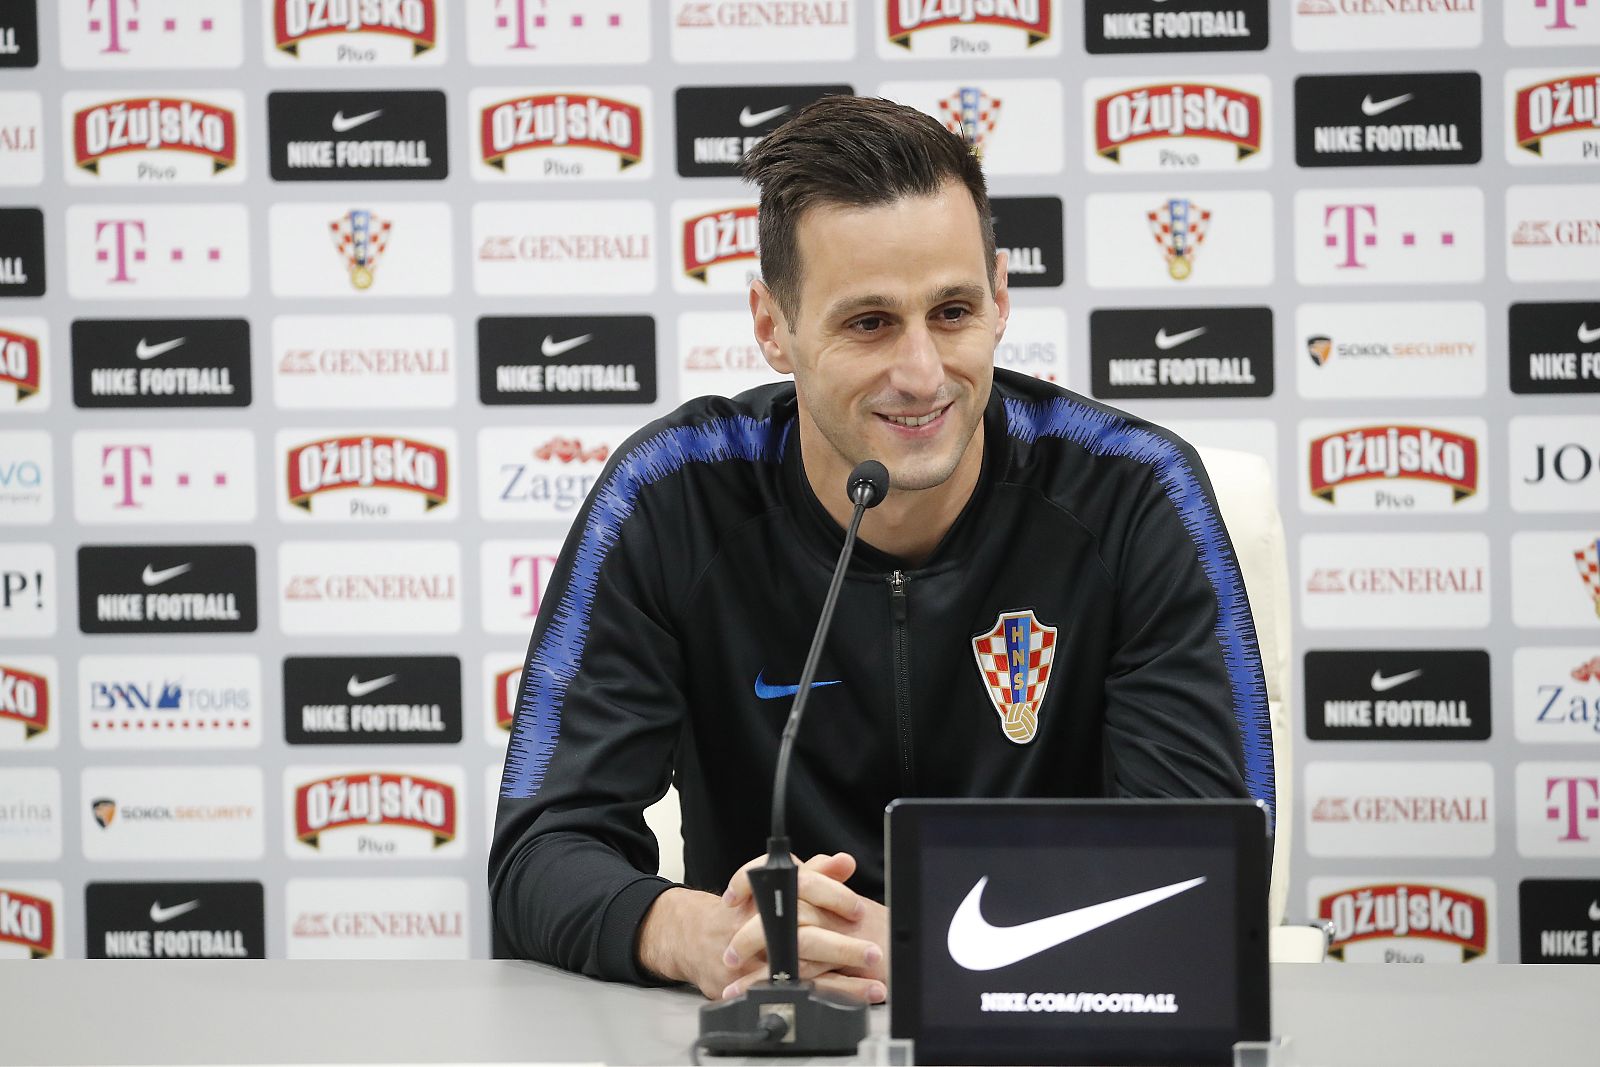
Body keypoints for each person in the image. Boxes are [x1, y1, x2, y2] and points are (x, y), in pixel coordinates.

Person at [490, 96, 1274, 1006]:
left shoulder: (1135, 493)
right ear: (772, 325)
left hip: (1048, 1029)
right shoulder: (673, 495)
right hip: (773, 1031)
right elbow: (538, 853)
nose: (921, 373)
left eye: (953, 310)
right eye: (868, 322)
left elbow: (1206, 875)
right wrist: (696, 933)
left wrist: (927, 953)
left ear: (1001, 298)